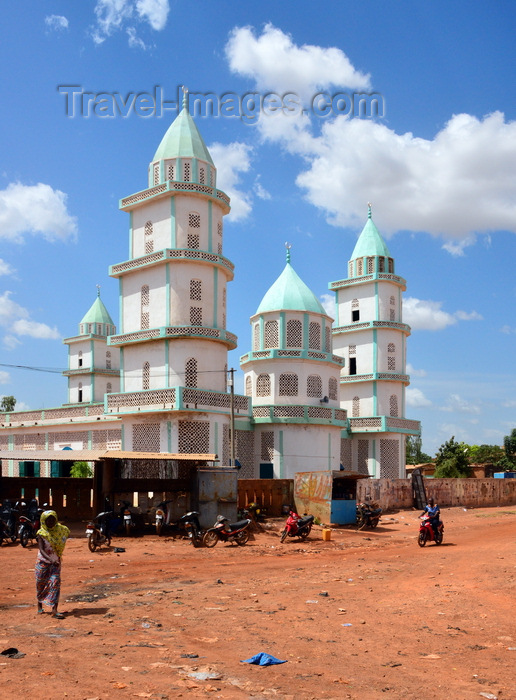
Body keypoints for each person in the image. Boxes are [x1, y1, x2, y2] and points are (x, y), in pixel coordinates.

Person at [35, 510, 70, 619]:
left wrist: (55, 560)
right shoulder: (41, 533)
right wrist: (50, 559)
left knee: (55, 583)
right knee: (41, 584)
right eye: (48, 519)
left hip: (55, 563)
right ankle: (39, 604)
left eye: (52, 519)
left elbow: (66, 534)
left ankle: (54, 610)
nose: (50, 521)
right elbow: (41, 549)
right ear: (43, 521)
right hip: (43, 562)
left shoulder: (61, 530)